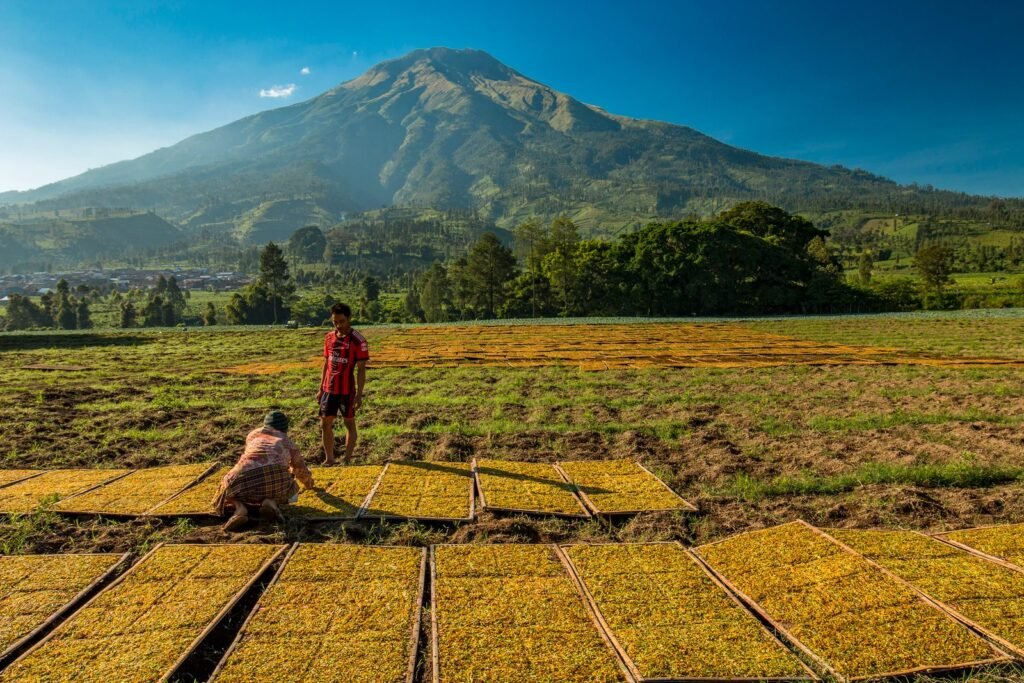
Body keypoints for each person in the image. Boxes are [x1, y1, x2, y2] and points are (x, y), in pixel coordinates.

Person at [214, 411, 314, 531]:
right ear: (285, 428)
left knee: (226, 488)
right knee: (291, 488)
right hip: (276, 480)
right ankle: (271, 502)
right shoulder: (287, 442)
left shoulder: (252, 435)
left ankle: (240, 508)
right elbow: (300, 470)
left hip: (243, 478)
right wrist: (309, 484)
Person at [318, 302, 369, 465]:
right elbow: (326, 364)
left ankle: (347, 458)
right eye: (335, 322)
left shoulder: (358, 341)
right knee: (325, 423)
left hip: (347, 391)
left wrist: (359, 394)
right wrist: (320, 389)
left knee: (349, 423)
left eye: (341, 321)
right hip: (328, 389)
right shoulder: (329, 338)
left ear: (349, 319)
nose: (338, 325)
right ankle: (329, 459)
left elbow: (361, 370)